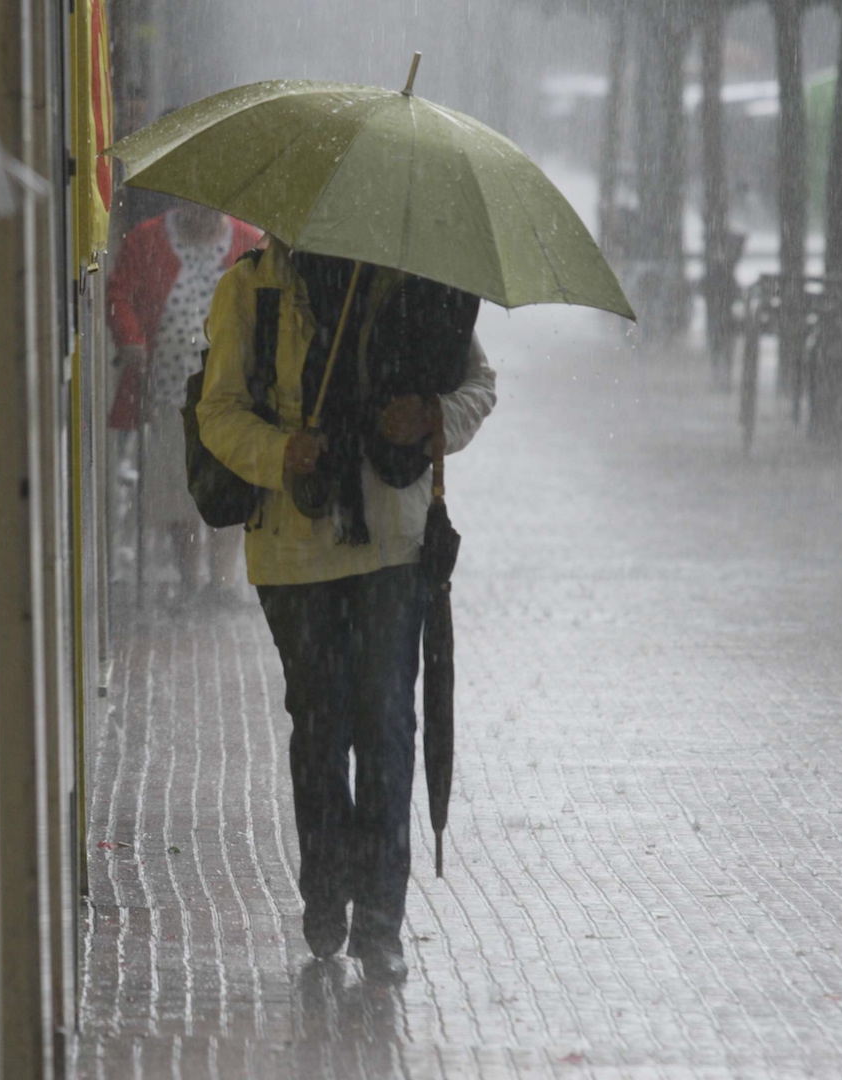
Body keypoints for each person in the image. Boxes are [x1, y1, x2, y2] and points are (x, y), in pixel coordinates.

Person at [197, 236, 495, 982]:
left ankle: (380, 922)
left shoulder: (414, 282)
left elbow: (477, 385)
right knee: (321, 722)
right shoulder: (253, 290)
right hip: (292, 550)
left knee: (388, 721)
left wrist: (429, 414)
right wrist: (280, 452)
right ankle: (326, 887)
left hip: (392, 545)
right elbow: (219, 409)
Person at [107, 201, 263, 604]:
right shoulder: (148, 240)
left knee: (227, 481)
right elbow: (119, 294)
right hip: (169, 392)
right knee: (178, 487)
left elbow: (268, 305)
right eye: (197, 204)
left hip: (232, 394)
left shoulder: (248, 241)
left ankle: (223, 582)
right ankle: (190, 579)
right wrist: (132, 343)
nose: (204, 212)